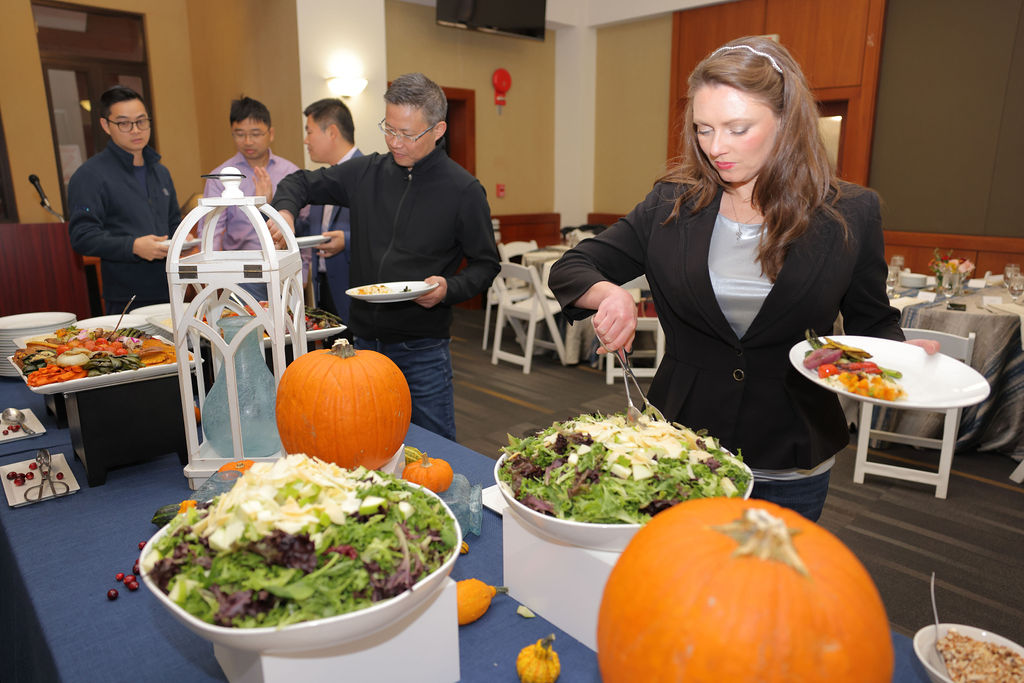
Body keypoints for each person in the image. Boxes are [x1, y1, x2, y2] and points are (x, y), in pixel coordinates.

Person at [548, 37, 916, 522]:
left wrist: (909, 360)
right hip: (682, 445)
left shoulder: (848, 212)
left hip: (792, 447)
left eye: (737, 129)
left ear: (786, 122)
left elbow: (872, 322)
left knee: (773, 587)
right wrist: (609, 292)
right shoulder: (671, 204)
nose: (715, 148)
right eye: (704, 129)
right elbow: (571, 268)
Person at [271, 73, 499, 441]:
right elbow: (299, 183)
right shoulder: (367, 172)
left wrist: (448, 288)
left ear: (438, 129)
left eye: (407, 134)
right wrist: (284, 213)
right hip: (363, 343)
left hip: (422, 347)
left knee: (433, 447)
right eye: (388, 129)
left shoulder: (463, 190)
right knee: (368, 443)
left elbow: (486, 265)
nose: (395, 142)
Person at [68, 85, 180, 314]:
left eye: (141, 121)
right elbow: (82, 236)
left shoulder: (160, 172)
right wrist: (133, 246)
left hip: (170, 287)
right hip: (126, 295)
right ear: (105, 125)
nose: (136, 130)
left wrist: (184, 238)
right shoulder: (90, 175)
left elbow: (174, 222)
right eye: (124, 123)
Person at [199, 96, 307, 301]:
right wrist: (213, 280)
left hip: (284, 269)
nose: (247, 141)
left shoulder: (290, 173)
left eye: (255, 134)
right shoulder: (221, 176)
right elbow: (210, 232)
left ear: (271, 133)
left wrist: (303, 274)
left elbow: (304, 226)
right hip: (239, 275)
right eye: (240, 134)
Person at [294, 97, 362, 321]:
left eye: (309, 132)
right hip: (324, 289)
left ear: (332, 132)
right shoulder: (323, 179)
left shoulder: (368, 173)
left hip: (357, 293)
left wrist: (348, 240)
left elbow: (389, 232)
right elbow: (306, 230)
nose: (305, 140)